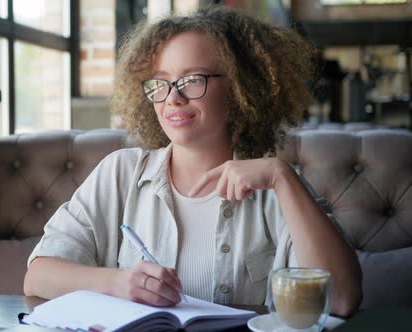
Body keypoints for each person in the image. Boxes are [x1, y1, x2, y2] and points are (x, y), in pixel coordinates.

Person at [24, 6, 362, 316]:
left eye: (191, 80)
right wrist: (117, 283)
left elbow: (342, 299)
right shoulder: (120, 173)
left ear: (241, 89)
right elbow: (38, 276)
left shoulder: (277, 187)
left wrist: (282, 176)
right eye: (161, 83)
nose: (172, 97)